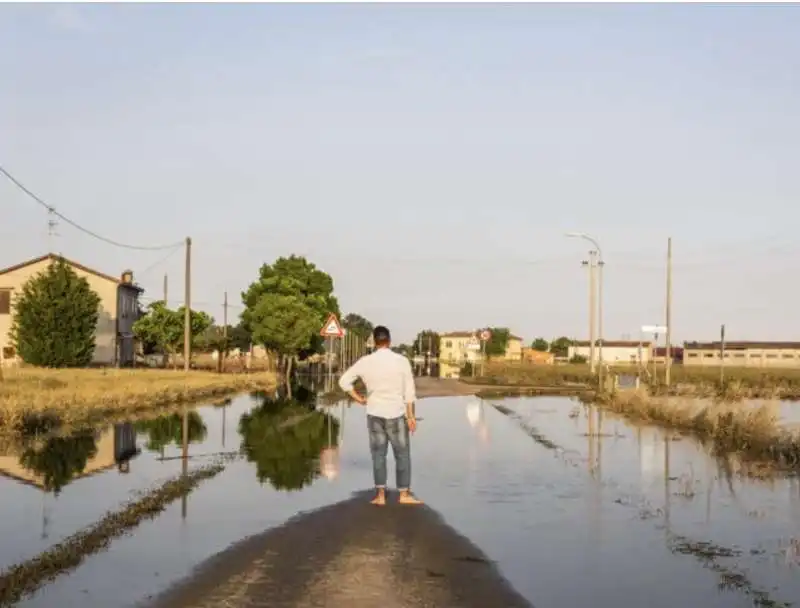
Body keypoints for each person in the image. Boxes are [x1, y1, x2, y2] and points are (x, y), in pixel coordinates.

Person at [339, 325, 422, 506]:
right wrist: (411, 417)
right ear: (389, 341)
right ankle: (404, 494)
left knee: (378, 454)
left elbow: (343, 381)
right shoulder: (401, 361)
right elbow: (409, 392)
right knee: (402, 454)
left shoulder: (365, 361)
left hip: (374, 413)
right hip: (397, 413)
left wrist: (359, 399)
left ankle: (380, 496)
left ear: (375, 341)